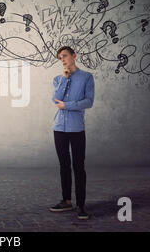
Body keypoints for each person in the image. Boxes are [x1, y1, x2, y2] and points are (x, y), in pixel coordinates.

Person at [49, 46, 95, 220]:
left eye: (65, 56)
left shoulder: (86, 77)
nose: (62, 60)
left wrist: (67, 105)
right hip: (59, 127)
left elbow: (88, 102)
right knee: (64, 166)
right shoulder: (58, 79)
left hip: (76, 129)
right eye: (60, 57)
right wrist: (64, 78)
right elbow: (55, 100)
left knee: (78, 166)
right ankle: (66, 201)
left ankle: (81, 205)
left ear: (74, 56)